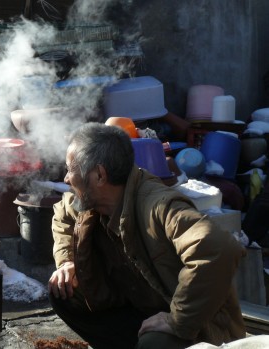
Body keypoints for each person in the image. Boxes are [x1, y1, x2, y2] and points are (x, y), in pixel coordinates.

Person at [48, 123, 246, 349]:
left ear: (100, 175)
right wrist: (67, 261)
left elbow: (219, 249)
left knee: (155, 343)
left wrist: (178, 320)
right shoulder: (93, 198)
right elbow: (63, 213)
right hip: (139, 309)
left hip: (195, 329)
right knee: (63, 291)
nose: (66, 179)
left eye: (70, 169)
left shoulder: (159, 206)